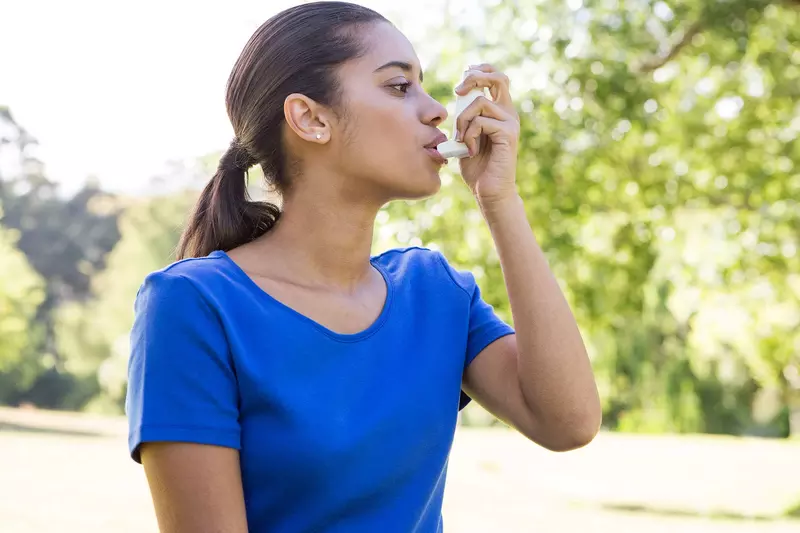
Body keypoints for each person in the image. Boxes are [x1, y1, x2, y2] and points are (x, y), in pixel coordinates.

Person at [125, 2, 601, 532]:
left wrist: (501, 200)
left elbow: (568, 422)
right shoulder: (194, 304)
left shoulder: (435, 292)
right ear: (311, 118)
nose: (438, 110)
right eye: (400, 87)